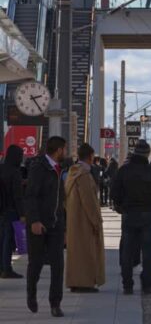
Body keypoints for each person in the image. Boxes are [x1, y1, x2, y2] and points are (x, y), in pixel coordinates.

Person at [111, 140, 151, 295]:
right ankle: (147, 285)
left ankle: (127, 286)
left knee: (127, 251)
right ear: (147, 154)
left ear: (134, 153)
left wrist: (121, 205)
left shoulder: (124, 170)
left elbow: (114, 193)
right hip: (149, 215)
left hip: (129, 215)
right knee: (147, 252)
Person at [24, 136, 68, 318]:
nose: (66, 152)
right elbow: (31, 195)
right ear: (58, 150)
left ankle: (55, 303)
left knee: (58, 265)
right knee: (36, 263)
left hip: (56, 224)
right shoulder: (39, 168)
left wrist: (65, 227)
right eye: (64, 149)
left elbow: (61, 201)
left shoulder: (59, 169)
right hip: (39, 224)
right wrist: (34, 220)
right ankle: (31, 294)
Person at [65, 143, 105, 293]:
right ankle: (85, 283)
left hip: (74, 219)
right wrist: (96, 221)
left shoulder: (72, 172)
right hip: (85, 221)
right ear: (90, 157)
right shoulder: (84, 175)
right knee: (87, 253)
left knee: (75, 253)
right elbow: (89, 201)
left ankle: (74, 281)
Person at [0, 145, 25, 279]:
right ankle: (6, 268)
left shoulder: (1, 168)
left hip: (1, 209)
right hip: (11, 210)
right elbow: (17, 196)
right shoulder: (14, 172)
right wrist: (22, 214)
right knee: (8, 240)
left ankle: (1, 267)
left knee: (2, 238)